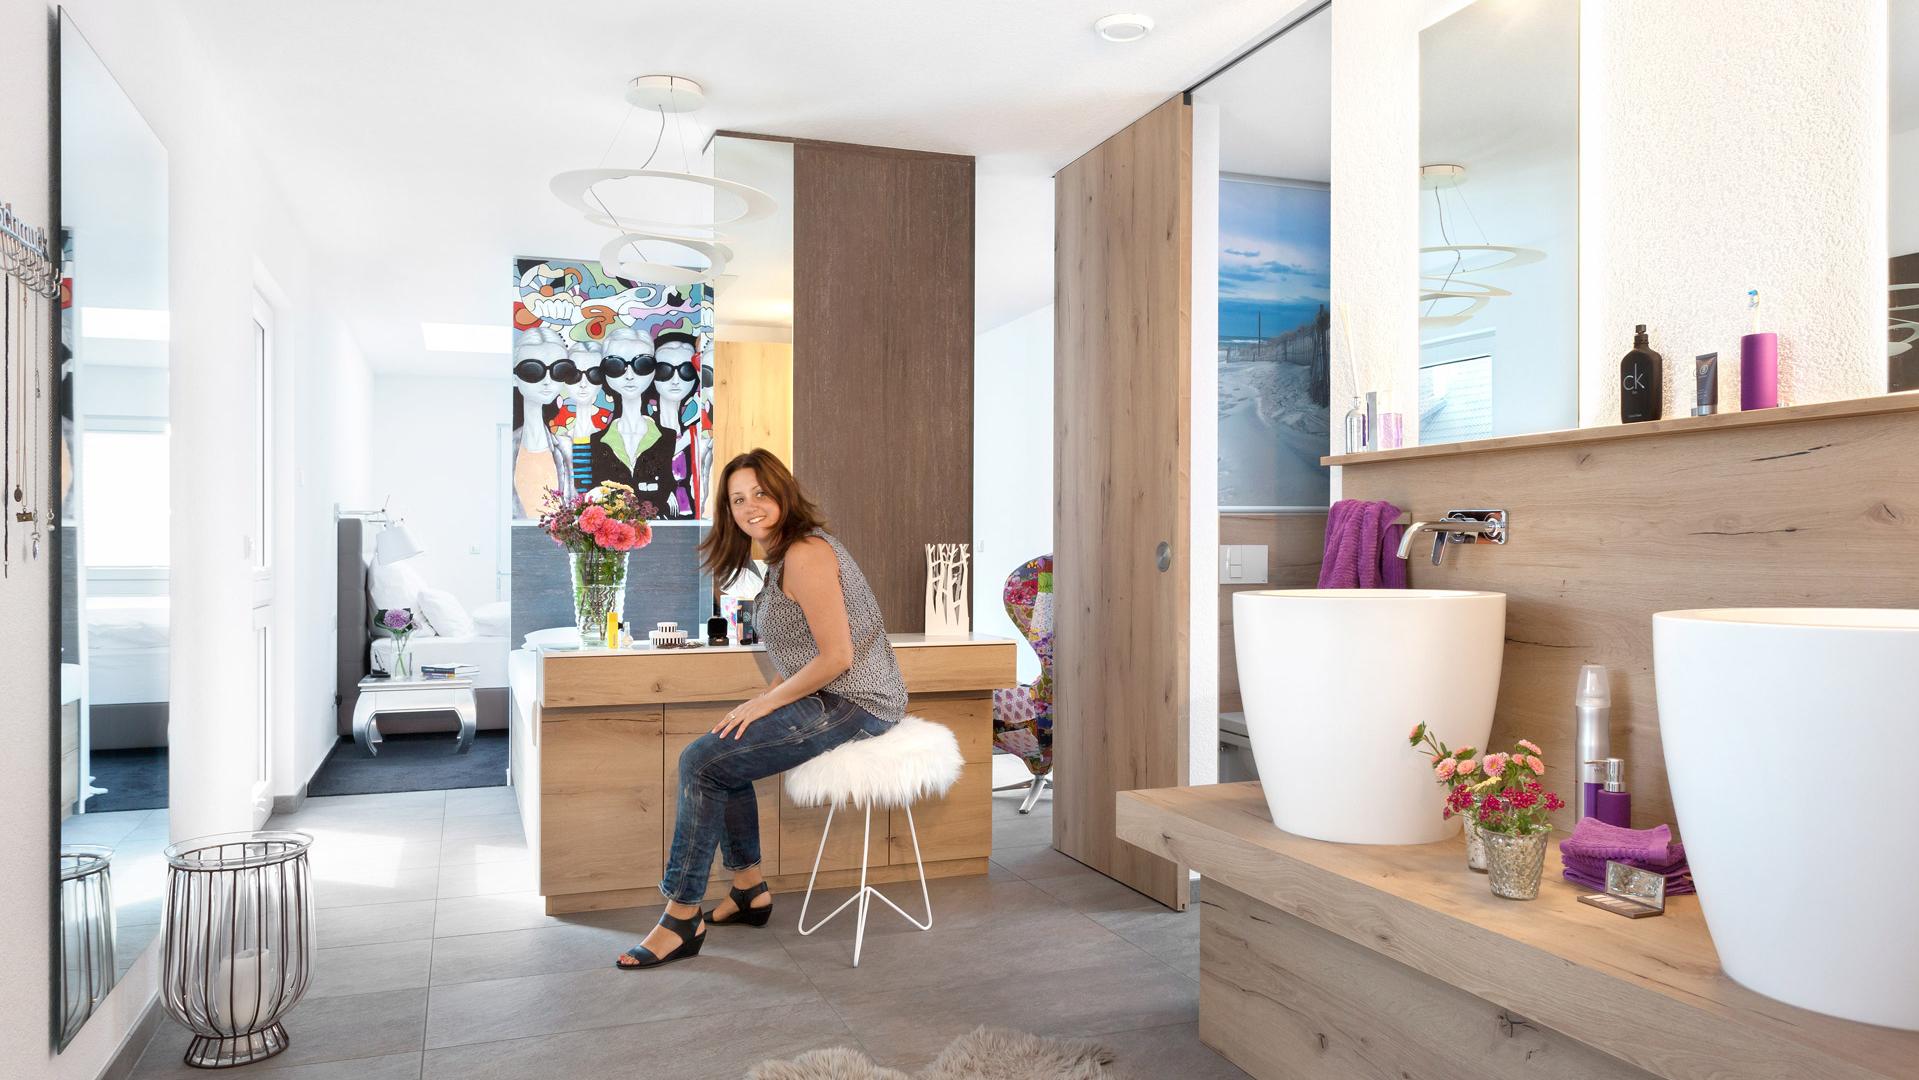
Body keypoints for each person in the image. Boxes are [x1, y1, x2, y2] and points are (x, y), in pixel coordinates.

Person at [616, 449, 908, 969]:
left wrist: (768, 701)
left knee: (701, 762)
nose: (750, 506)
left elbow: (839, 656)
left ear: (782, 494)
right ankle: (749, 889)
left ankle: (682, 916)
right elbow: (803, 650)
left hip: (859, 700)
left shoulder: (805, 553)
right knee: (722, 755)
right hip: (830, 693)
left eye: (760, 493)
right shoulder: (776, 560)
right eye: (737, 499)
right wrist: (761, 702)